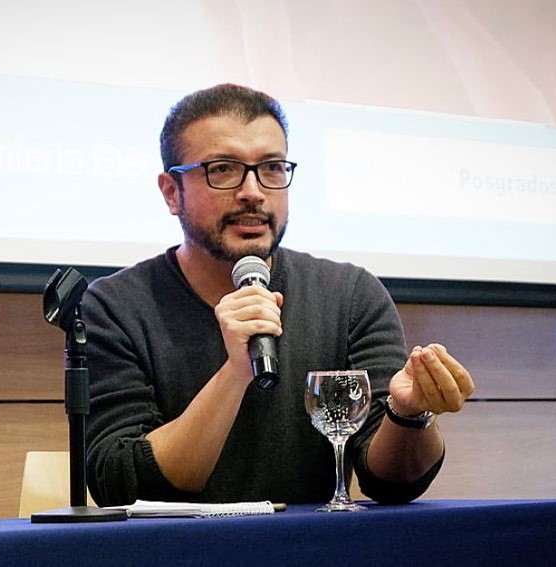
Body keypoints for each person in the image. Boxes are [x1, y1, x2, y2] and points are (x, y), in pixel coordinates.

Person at [82, 83, 474, 507]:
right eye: (223, 169)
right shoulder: (114, 306)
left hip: (308, 543)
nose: (253, 192)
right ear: (172, 192)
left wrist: (408, 415)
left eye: (271, 168)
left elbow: (391, 483)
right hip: (174, 544)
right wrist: (236, 372)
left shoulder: (350, 296)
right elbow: (120, 483)